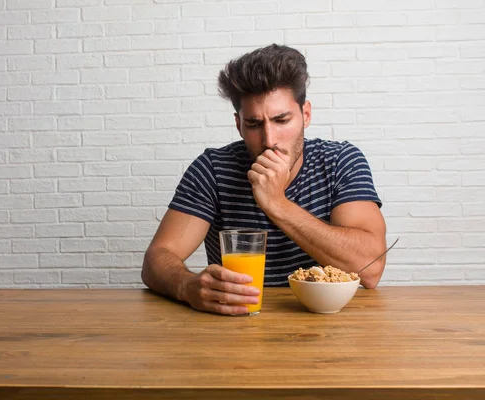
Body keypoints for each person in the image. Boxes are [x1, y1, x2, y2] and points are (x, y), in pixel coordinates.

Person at [141, 44, 387, 315]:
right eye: (254, 125)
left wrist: (276, 203)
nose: (269, 141)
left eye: (282, 120)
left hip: (325, 324)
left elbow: (371, 268)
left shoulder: (341, 161)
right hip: (239, 319)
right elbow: (156, 259)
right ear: (239, 125)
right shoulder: (213, 169)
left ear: (305, 114)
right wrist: (186, 287)